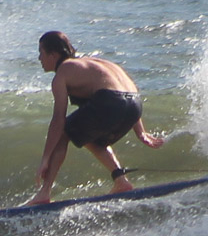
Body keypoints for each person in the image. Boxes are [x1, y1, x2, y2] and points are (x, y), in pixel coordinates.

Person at [27, 30, 164, 204]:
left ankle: (44, 193)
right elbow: (126, 92)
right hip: (135, 105)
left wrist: (45, 159)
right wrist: (140, 132)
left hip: (111, 101)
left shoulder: (63, 72)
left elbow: (58, 120)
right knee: (90, 137)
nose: (39, 59)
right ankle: (121, 180)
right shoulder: (96, 64)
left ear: (53, 55)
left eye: (41, 53)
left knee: (64, 132)